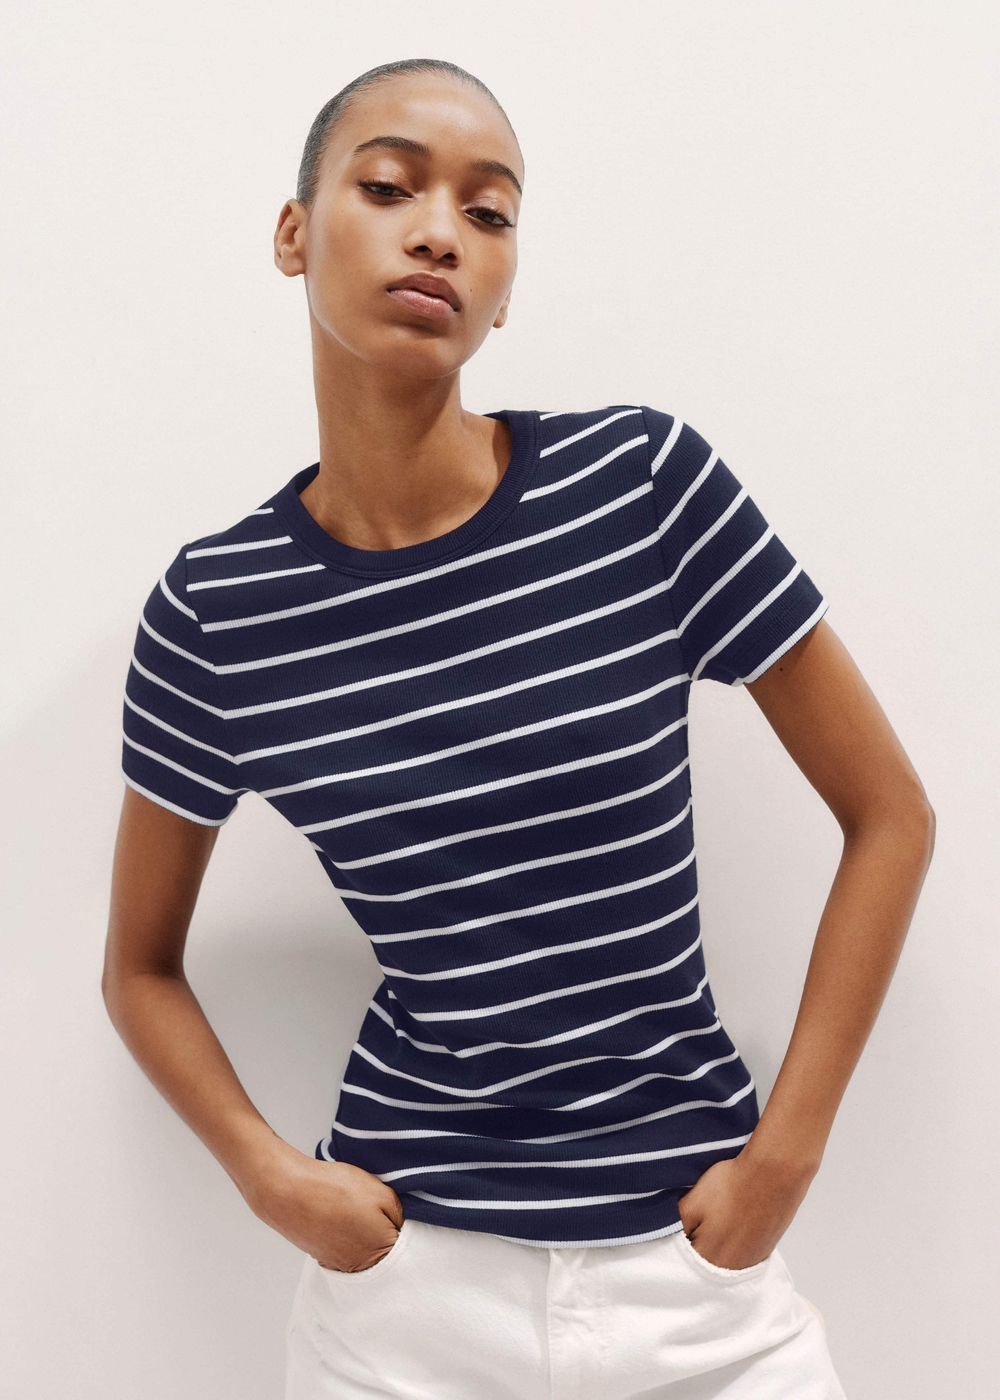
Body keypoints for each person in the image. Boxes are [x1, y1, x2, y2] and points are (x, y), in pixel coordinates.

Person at [102, 58, 935, 1399]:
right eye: (390, 187)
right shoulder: (219, 610)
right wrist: (270, 1178)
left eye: (489, 214)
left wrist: (788, 1154)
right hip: (405, 1306)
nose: (441, 232)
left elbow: (891, 816)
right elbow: (138, 968)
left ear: (505, 288)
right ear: (294, 231)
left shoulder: (640, 486)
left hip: (696, 1281)